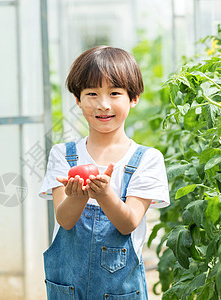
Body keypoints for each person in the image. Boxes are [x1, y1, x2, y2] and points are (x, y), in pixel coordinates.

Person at [39, 45, 170, 300]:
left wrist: (104, 195)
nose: (103, 104)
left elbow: (128, 222)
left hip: (120, 291)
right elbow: (64, 220)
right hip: (68, 290)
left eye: (114, 93)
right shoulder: (63, 155)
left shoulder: (146, 159)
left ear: (133, 98)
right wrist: (77, 195)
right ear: (77, 99)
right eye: (91, 94)